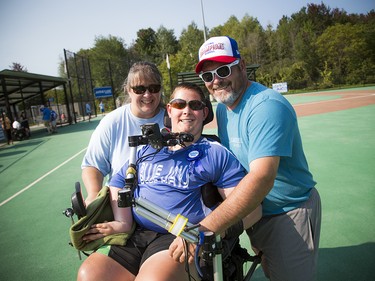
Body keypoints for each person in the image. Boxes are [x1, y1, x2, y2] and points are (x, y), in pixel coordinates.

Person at [77, 82, 262, 281]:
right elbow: (119, 181)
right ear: (169, 110)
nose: (187, 111)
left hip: (179, 237)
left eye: (195, 105)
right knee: (89, 276)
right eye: (180, 104)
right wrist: (123, 222)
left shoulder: (214, 153)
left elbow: (252, 209)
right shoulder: (147, 149)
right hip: (136, 233)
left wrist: (208, 231)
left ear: (204, 112)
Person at [195, 36, 322, 281]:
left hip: (287, 213)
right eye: (208, 76)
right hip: (255, 212)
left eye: (223, 70)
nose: (216, 81)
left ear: (241, 65)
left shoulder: (266, 106)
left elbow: (262, 178)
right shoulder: (223, 107)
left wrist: (207, 227)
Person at [81, 61, 166, 206]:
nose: (147, 94)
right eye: (139, 89)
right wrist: (94, 195)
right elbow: (93, 165)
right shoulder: (112, 122)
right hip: (121, 206)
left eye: (153, 88)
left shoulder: (173, 119)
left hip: (165, 206)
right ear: (128, 90)